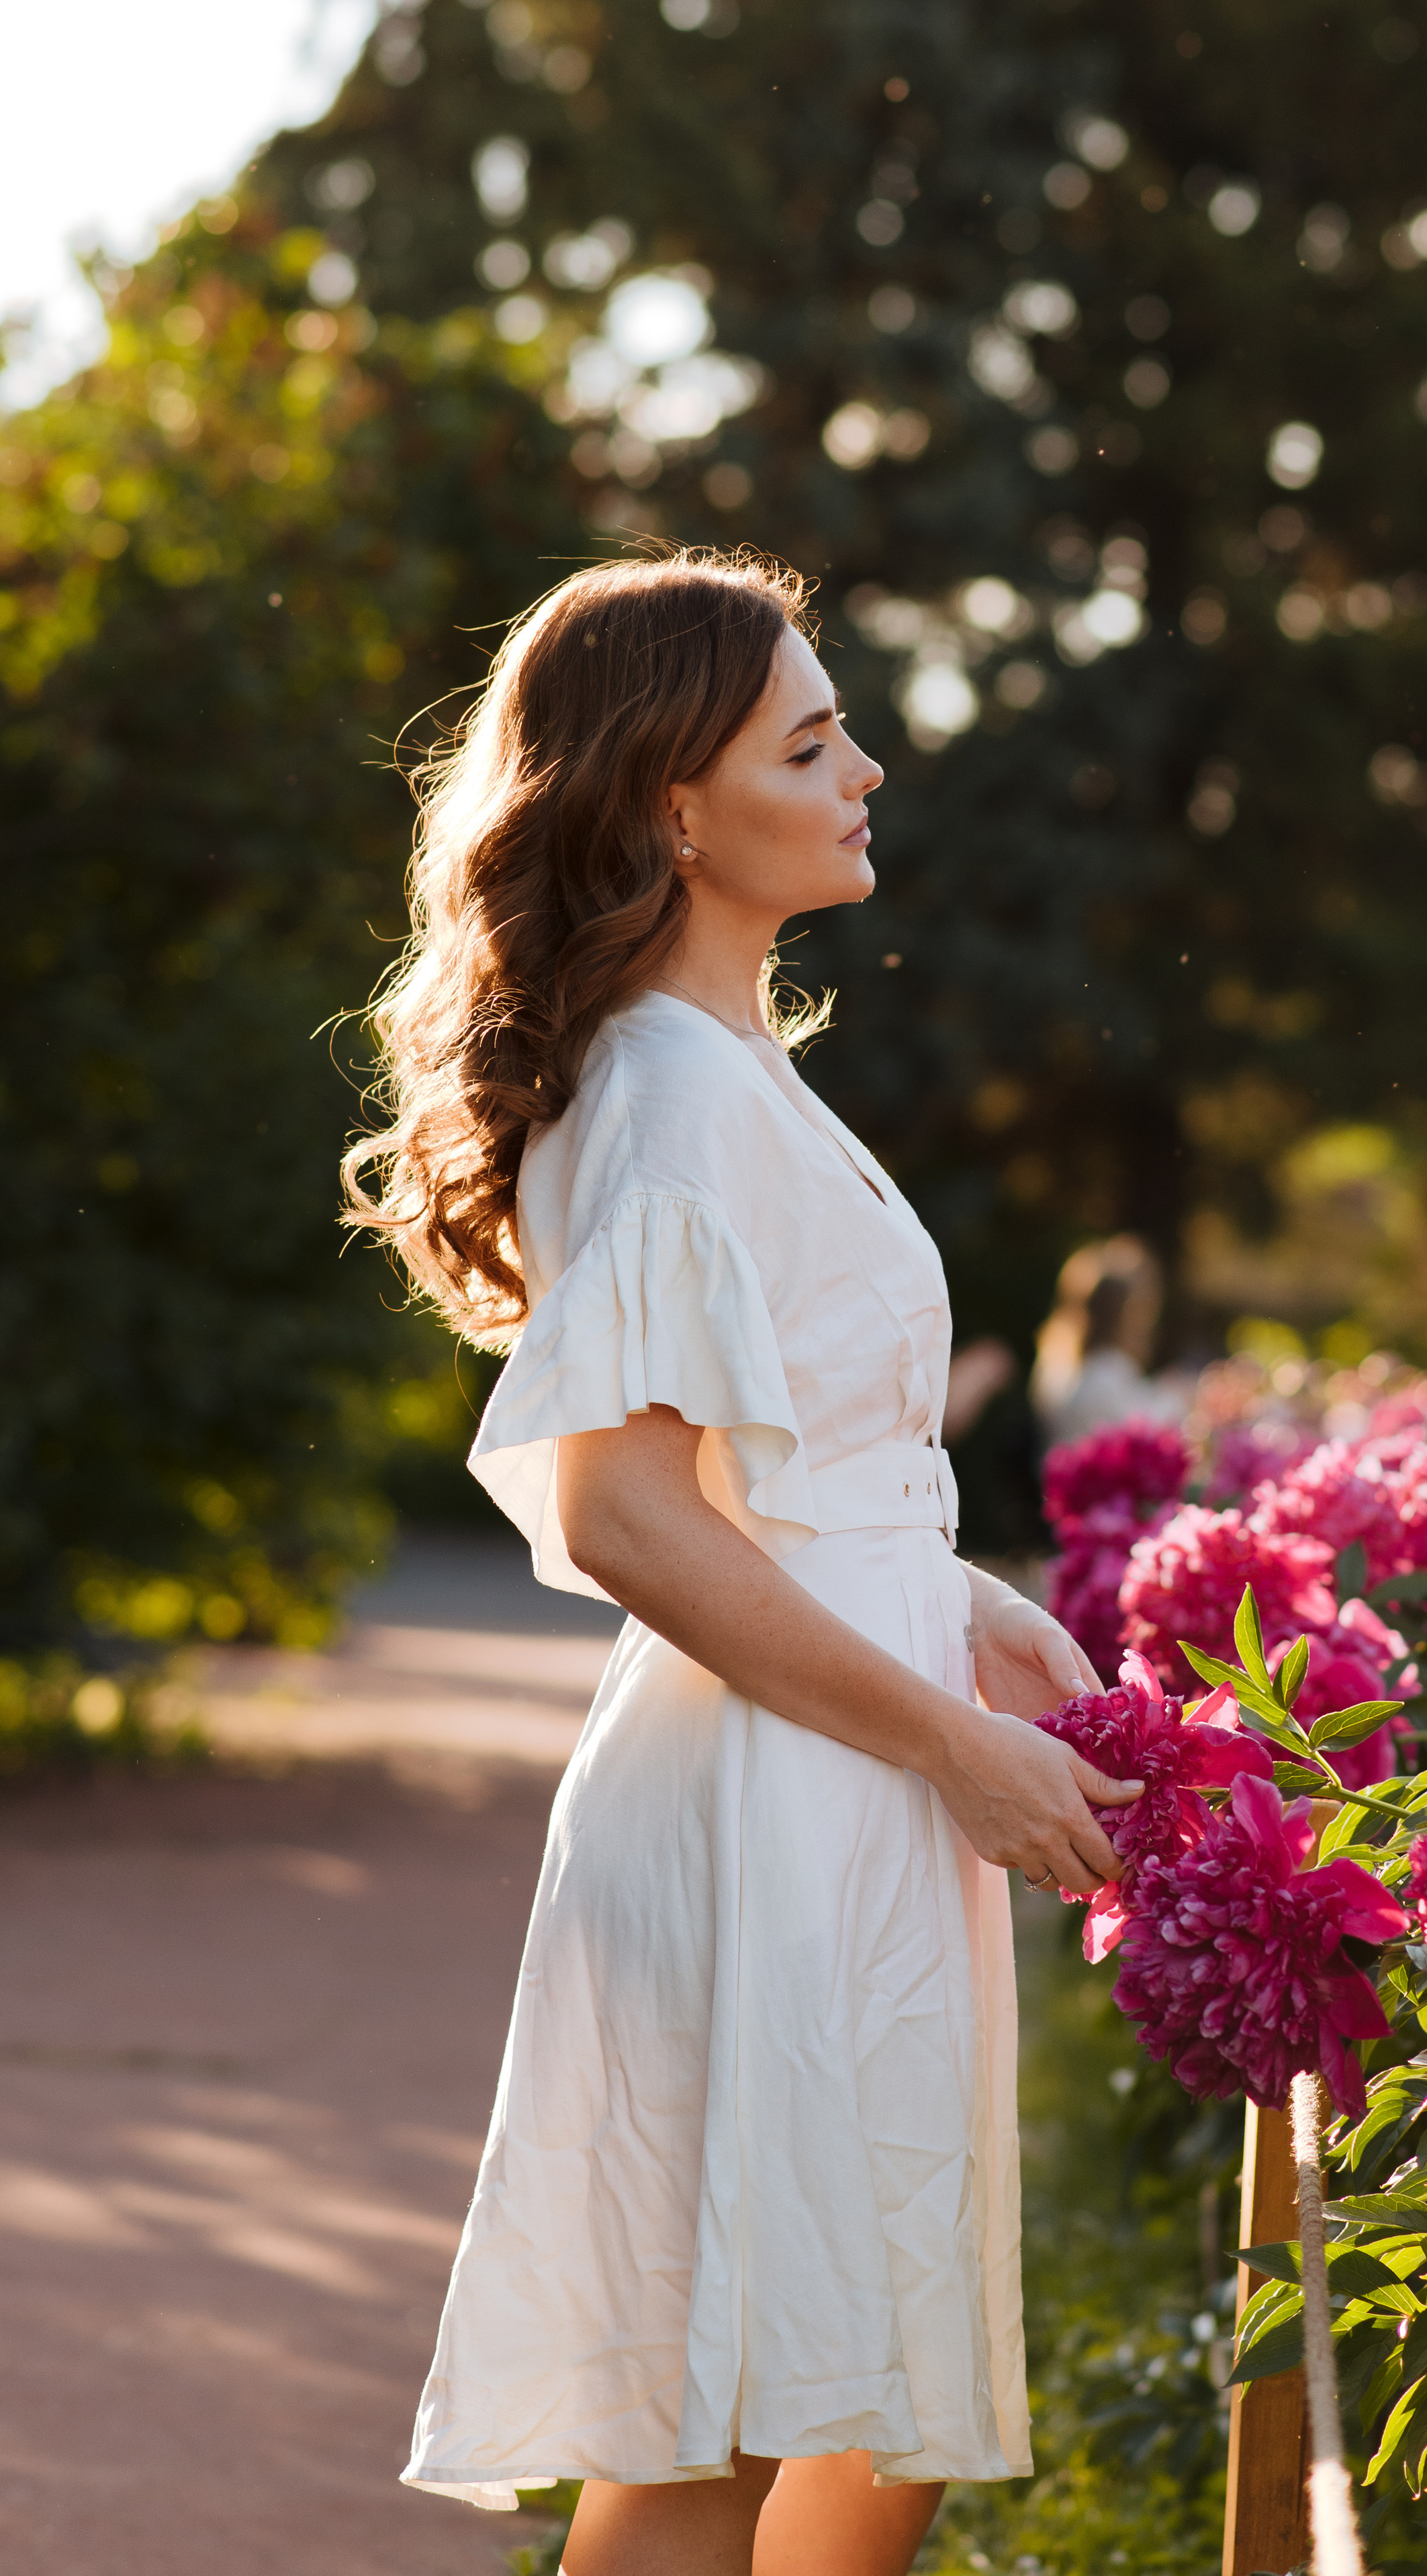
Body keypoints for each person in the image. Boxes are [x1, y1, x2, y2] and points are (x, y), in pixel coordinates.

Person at [344, 549, 1138, 2576]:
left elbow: (767, 1477)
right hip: (785, 1801)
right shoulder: (675, 1090)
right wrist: (950, 1744)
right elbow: (622, 1511)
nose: (865, 768)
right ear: (676, 807)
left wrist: (957, 1600)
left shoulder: (714, 1072)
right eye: (811, 739)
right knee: (751, 2422)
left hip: (827, 1778)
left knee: (825, 2407)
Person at [1029, 1234, 1191, 1448]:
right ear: (1126, 1313)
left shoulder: (1058, 1363)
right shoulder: (1104, 1373)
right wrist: (1180, 1395)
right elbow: (1145, 1434)